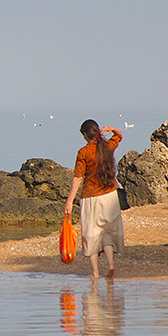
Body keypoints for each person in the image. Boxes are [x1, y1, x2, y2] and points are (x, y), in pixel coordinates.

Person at [64, 120, 125, 279]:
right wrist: (110, 128)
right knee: (107, 232)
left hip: (92, 197)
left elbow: (78, 178)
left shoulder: (83, 152)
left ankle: (96, 272)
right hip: (110, 195)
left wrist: (70, 201)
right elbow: (119, 135)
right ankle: (110, 264)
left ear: (85, 135)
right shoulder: (107, 146)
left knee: (91, 234)